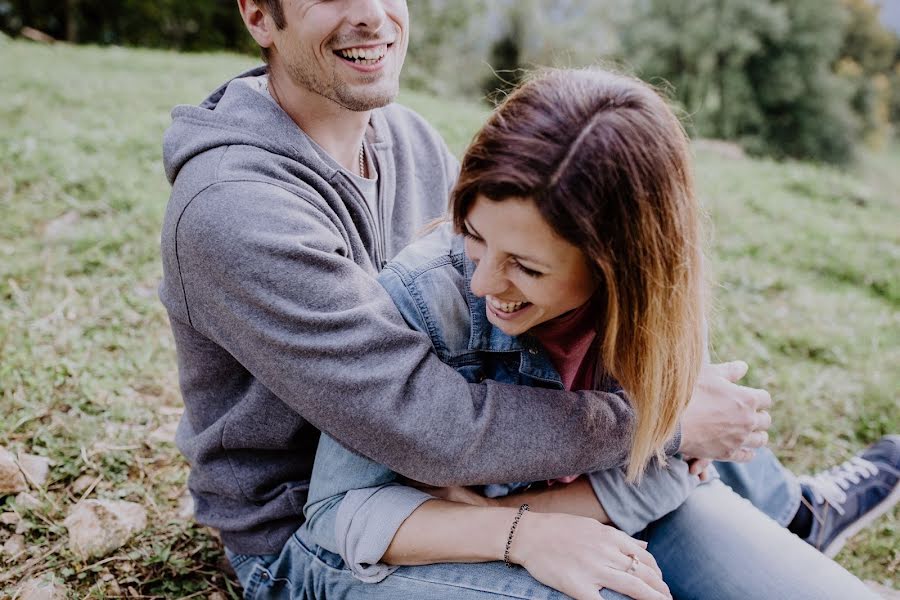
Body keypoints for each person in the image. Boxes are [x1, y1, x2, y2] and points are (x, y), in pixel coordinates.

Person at [157, 0, 900, 596]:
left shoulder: (406, 138)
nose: (373, 14)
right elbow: (421, 420)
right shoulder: (235, 209)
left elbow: (534, 283)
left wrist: (654, 438)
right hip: (310, 526)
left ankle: (789, 512)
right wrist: (661, 427)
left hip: (486, 480)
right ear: (259, 15)